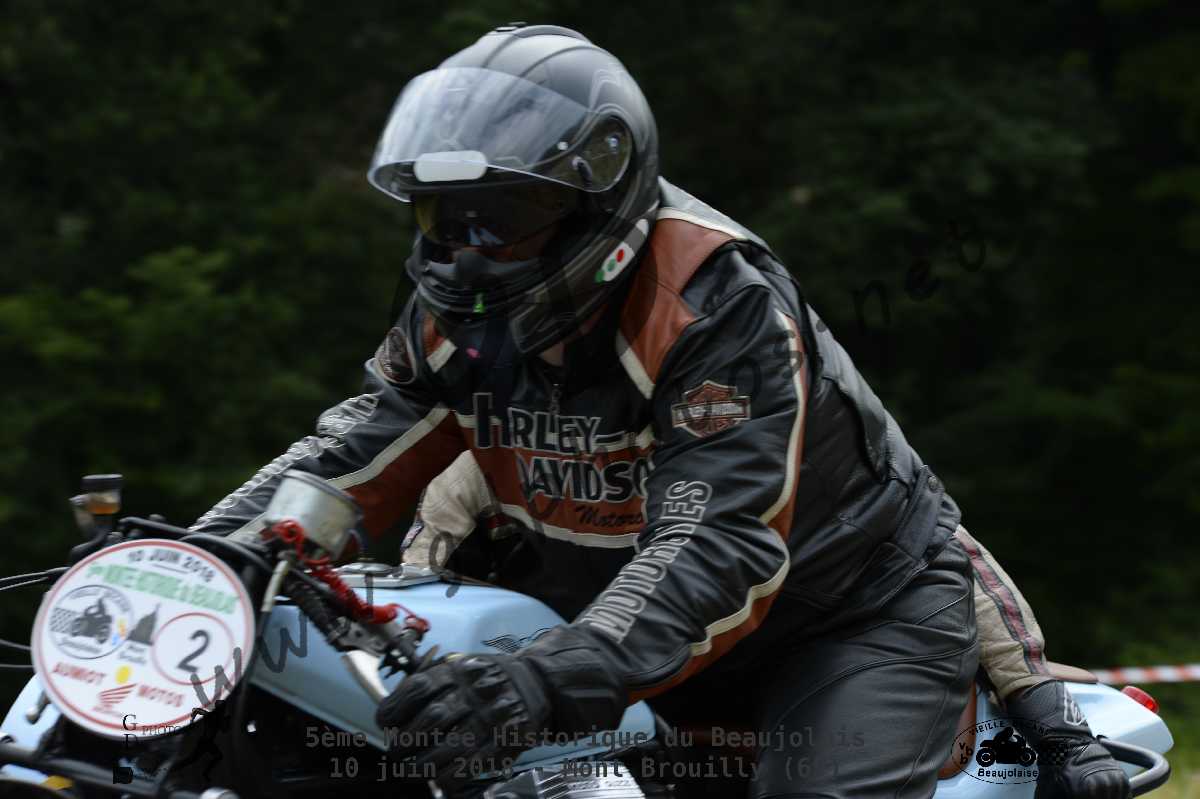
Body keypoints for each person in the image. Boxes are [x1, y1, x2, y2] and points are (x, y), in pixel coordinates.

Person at [190, 23, 1128, 798]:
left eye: (501, 217)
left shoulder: (715, 304)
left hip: (844, 615)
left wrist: (545, 675)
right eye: (445, 216)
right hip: (637, 625)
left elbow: (716, 541)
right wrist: (202, 559)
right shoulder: (458, 315)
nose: (468, 251)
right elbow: (349, 457)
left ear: (594, 202)